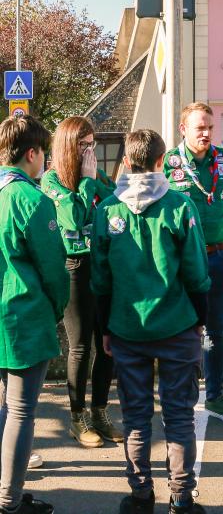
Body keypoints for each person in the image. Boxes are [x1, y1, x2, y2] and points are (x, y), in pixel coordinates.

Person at [91, 129, 211, 514]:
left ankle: (141, 493)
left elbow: (100, 279)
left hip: (126, 328)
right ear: (162, 162)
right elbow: (196, 273)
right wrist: (201, 320)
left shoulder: (106, 209)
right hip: (177, 326)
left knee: (136, 416)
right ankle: (181, 495)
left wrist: (104, 329)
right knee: (179, 416)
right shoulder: (179, 206)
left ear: (126, 161)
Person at [0, 115, 69, 514]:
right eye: (43, 153)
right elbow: (54, 271)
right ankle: (8, 501)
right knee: (20, 413)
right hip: (22, 319)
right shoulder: (31, 199)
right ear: (32, 153)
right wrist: (57, 309)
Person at [41, 116, 121, 448]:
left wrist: (93, 185)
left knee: (107, 343)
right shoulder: (51, 181)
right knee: (80, 346)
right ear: (68, 146)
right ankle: (77, 417)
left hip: (101, 264)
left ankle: (100, 411)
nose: (90, 151)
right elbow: (72, 217)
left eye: (93, 144)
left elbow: (115, 201)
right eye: (83, 145)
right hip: (74, 266)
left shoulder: (97, 175)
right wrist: (87, 184)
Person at [163, 102, 223, 424]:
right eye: (199, 128)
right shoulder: (170, 161)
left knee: (217, 330)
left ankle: (216, 396)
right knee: (183, 327)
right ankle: (182, 392)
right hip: (184, 258)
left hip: (218, 254)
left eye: (210, 127)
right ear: (184, 129)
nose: (206, 133)